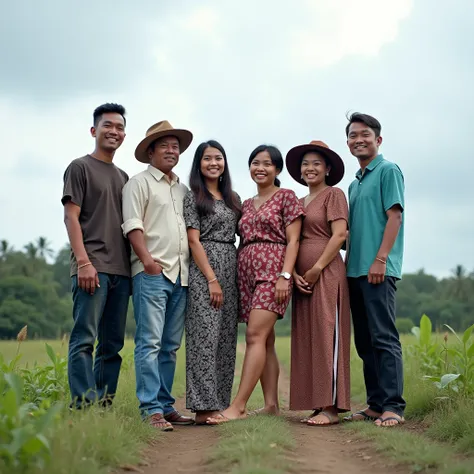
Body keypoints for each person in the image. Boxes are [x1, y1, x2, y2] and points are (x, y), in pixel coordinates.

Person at [207, 145, 304, 424]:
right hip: (245, 272)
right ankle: (272, 405)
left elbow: (294, 240)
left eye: (267, 164)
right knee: (267, 340)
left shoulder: (286, 197)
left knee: (254, 336)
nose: (260, 168)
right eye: (255, 163)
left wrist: (285, 276)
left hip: (273, 271)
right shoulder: (246, 204)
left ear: (277, 169)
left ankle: (238, 405)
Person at [122, 120, 194, 431]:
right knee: (149, 342)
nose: (171, 150)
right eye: (164, 145)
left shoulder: (182, 188)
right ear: (150, 151)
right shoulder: (138, 183)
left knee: (170, 346)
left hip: (181, 276)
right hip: (151, 274)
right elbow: (132, 225)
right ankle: (150, 409)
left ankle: (166, 406)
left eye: (175, 146)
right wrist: (148, 261)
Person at [61, 103, 131, 409]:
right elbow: (70, 218)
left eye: (119, 127)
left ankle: (103, 405)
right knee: (84, 340)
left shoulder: (124, 176)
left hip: (122, 272)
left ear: (124, 135)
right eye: (107, 126)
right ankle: (83, 405)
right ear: (94, 131)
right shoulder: (79, 167)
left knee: (113, 345)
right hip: (92, 269)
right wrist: (84, 263)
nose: (113, 131)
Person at [343, 112, 406, 427]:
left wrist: (381, 259)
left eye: (364, 134)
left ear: (378, 139)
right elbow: (353, 231)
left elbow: (394, 217)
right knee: (365, 341)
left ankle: (394, 406)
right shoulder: (354, 184)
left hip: (378, 269)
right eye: (353, 135)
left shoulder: (388, 170)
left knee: (384, 337)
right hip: (353, 271)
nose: (359, 140)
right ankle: (376, 403)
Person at [285, 140, 351, 426]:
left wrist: (316, 268)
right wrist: (295, 273)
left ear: (327, 168)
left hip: (326, 274)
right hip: (302, 280)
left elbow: (339, 235)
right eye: (305, 164)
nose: (310, 168)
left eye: (316, 163)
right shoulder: (299, 202)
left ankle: (332, 408)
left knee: (328, 335)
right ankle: (316, 401)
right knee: (308, 338)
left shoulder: (333, 195)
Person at [184, 140, 242, 425]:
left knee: (226, 340)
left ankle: (220, 402)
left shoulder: (234, 198)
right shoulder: (193, 197)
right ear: (199, 163)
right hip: (205, 268)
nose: (213, 163)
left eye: (218, 158)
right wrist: (211, 280)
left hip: (231, 267)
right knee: (203, 338)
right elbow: (193, 240)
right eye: (207, 159)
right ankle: (202, 406)